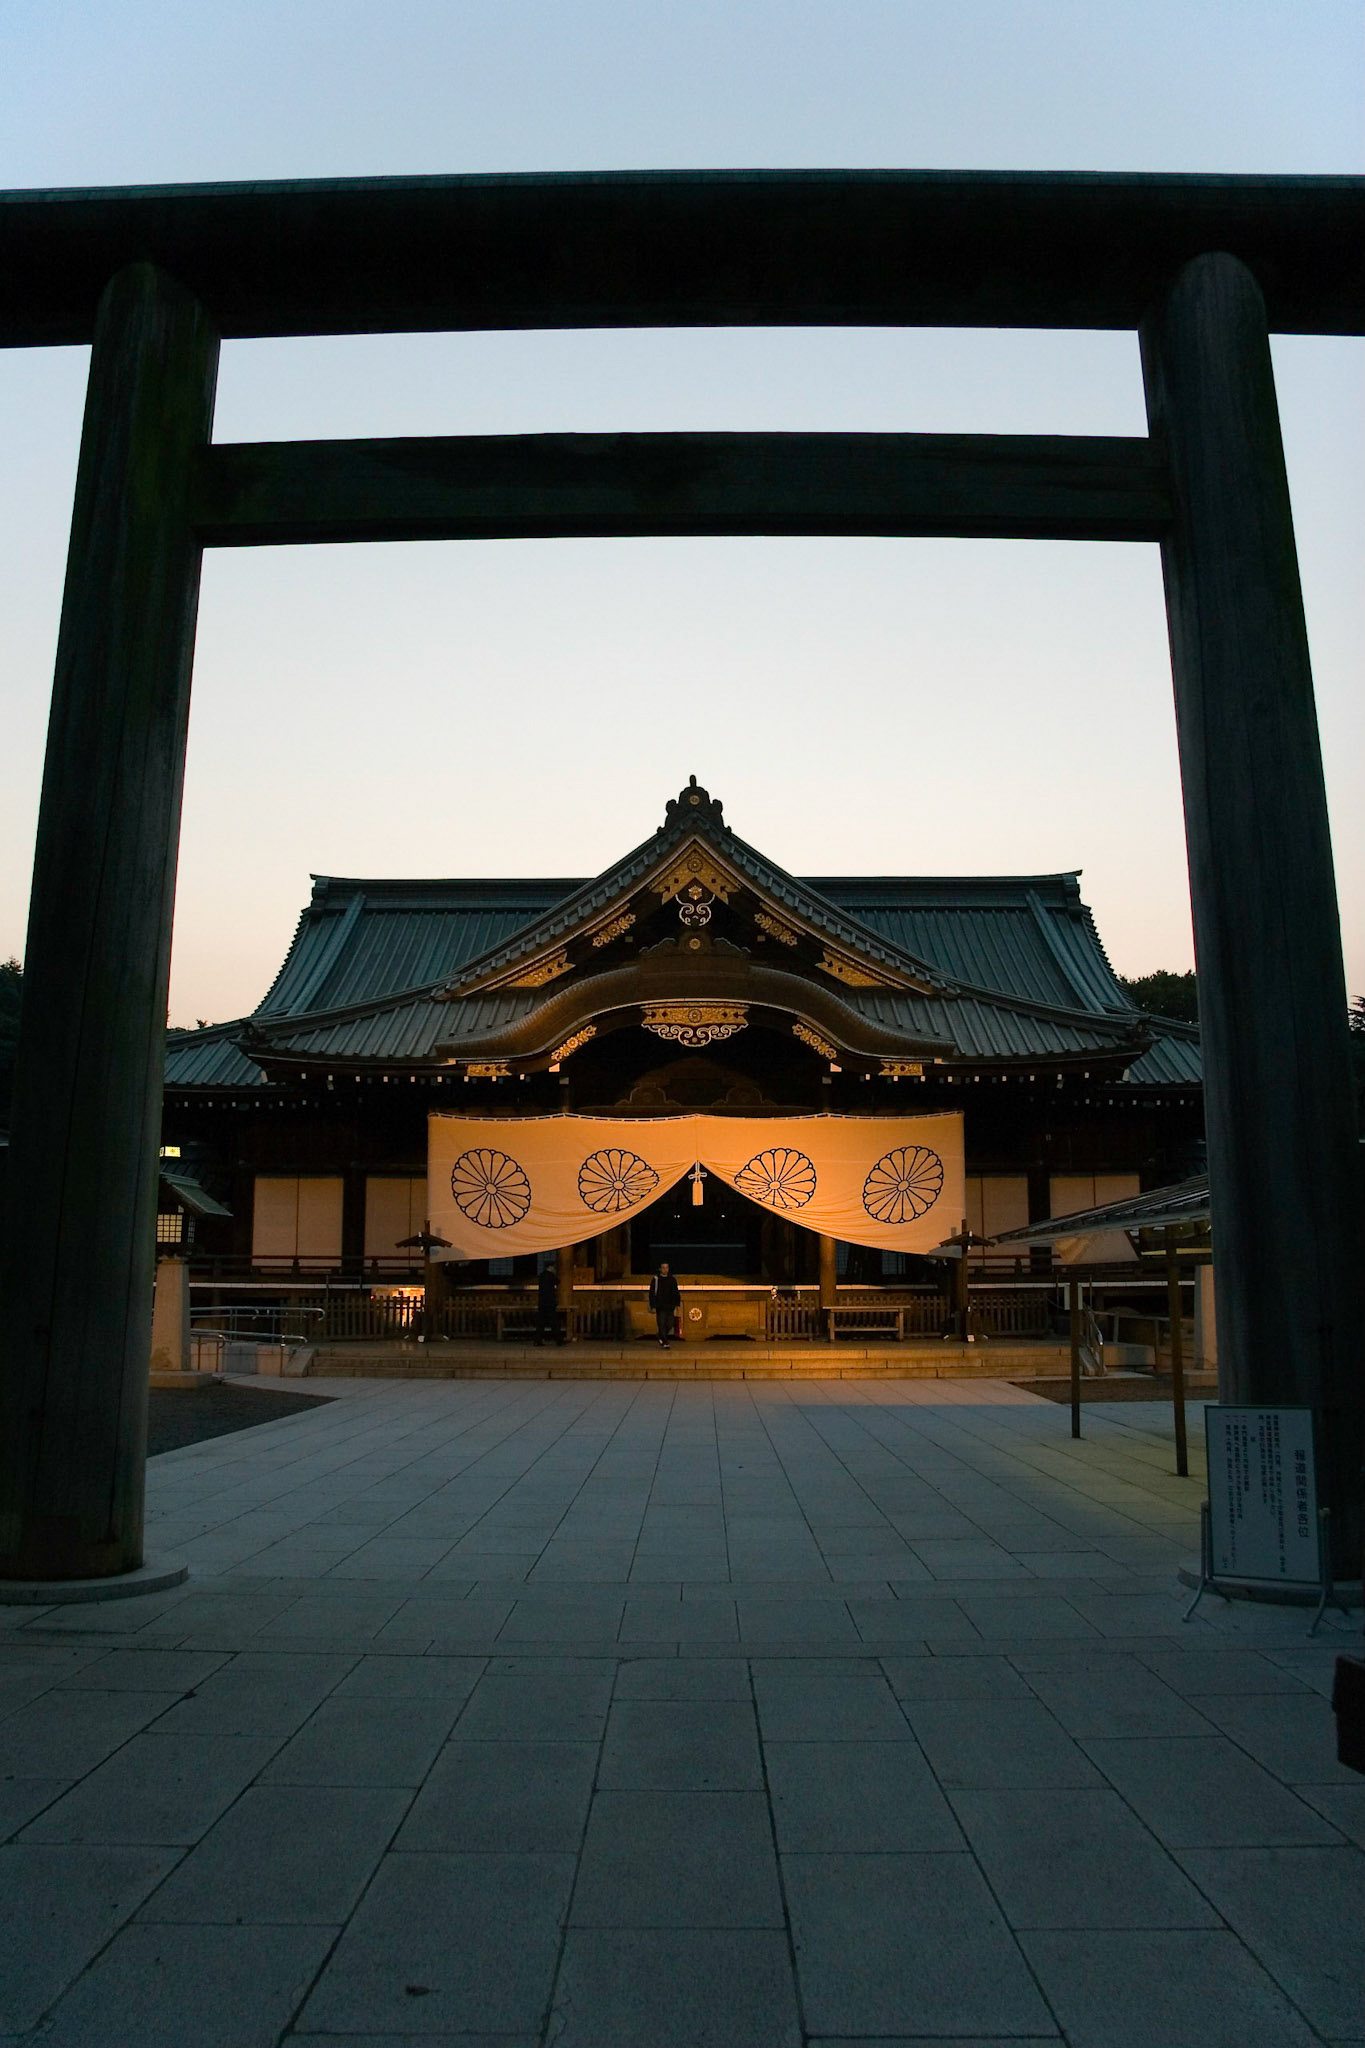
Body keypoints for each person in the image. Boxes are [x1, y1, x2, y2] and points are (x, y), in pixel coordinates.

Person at [648, 1261, 680, 1347]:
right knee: (661, 1323)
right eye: (663, 1268)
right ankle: (665, 1341)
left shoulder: (672, 1279)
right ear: (660, 1269)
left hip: (670, 1305)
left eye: (667, 1268)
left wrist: (677, 1303)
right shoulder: (656, 1279)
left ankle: (661, 1335)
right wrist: (653, 1305)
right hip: (660, 1305)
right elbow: (652, 1292)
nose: (665, 1269)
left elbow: (676, 1292)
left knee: (670, 1323)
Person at [536, 1260, 563, 1346]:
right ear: (551, 1267)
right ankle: (558, 1340)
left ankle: (538, 1340)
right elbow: (558, 1281)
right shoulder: (551, 1276)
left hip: (542, 1302)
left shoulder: (541, 1275)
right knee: (554, 1322)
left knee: (541, 1323)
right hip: (550, 1302)